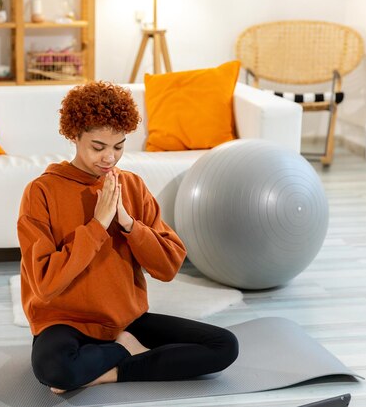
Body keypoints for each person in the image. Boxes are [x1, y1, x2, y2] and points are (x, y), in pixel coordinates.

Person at [17, 81, 238, 394]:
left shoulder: (131, 186)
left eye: (118, 147)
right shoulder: (41, 192)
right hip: (63, 321)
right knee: (54, 369)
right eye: (98, 147)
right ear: (74, 135)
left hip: (125, 321)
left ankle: (112, 365)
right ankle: (126, 352)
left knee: (224, 346)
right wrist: (97, 226)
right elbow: (46, 283)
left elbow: (168, 267)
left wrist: (129, 224)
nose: (109, 158)